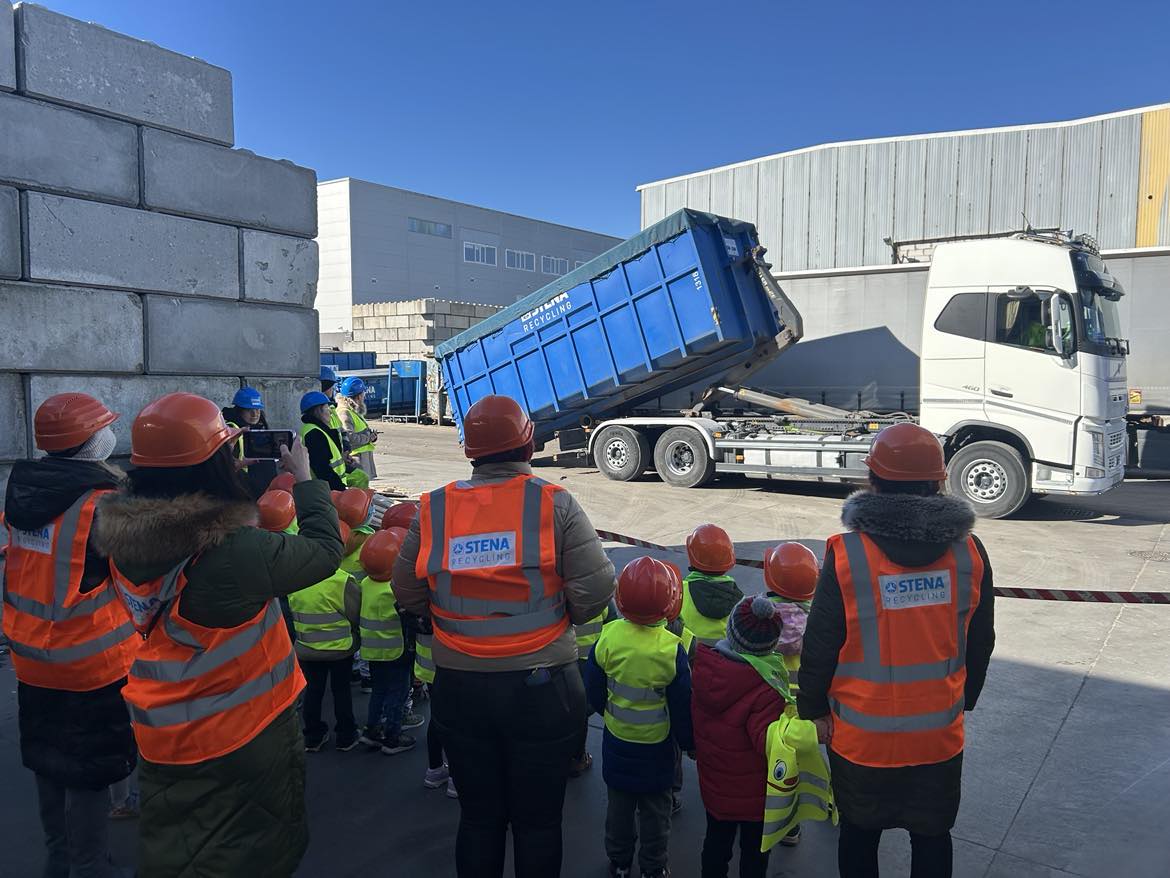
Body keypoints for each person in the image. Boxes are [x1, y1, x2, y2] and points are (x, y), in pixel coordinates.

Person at [94, 392, 344, 877]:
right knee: (243, 851)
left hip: (163, 725)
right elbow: (324, 551)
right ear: (213, 465)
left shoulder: (124, 539)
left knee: (178, 841)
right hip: (241, 731)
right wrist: (306, 481)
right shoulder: (233, 552)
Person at [392, 394, 615, 878]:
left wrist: (439, 621)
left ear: (470, 450)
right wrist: (563, 617)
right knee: (537, 824)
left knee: (478, 819)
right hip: (543, 687)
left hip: (460, 688)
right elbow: (597, 586)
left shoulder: (433, 507)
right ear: (529, 444)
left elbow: (406, 587)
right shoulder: (553, 503)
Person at [797, 423, 996, 878]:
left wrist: (812, 708)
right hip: (937, 737)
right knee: (932, 835)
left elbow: (821, 642)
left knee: (859, 834)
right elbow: (981, 639)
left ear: (874, 479)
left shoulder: (848, 555)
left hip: (861, 739)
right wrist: (965, 700)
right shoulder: (969, 552)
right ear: (939, 481)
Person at [3, 393, 138, 878]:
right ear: (89, 441)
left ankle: (59, 860)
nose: (110, 434)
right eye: (104, 427)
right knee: (88, 771)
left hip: (31, 656)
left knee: (48, 759)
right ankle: (88, 867)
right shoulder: (103, 504)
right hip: (90, 663)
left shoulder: (25, 489)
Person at [584, 557, 693, 878]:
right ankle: (653, 867)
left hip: (616, 741)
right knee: (656, 812)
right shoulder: (671, 649)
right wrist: (688, 743)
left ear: (620, 599)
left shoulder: (608, 637)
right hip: (658, 750)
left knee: (618, 809)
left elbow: (594, 689)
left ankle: (619, 862)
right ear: (670, 604)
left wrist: (610, 713)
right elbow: (682, 705)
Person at [691, 596, 788, 878]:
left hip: (714, 785)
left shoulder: (705, 669)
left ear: (730, 632)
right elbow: (768, 744)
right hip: (755, 798)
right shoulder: (766, 689)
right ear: (771, 645)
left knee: (716, 845)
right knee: (754, 853)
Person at [288, 518, 362, 752]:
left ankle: (312, 736)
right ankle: (346, 735)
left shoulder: (295, 578)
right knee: (341, 691)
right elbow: (355, 613)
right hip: (339, 649)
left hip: (307, 648)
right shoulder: (341, 580)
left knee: (314, 691)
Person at [354, 527, 418, 754]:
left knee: (379, 690)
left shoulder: (365, 585)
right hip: (397, 651)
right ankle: (392, 736)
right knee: (398, 693)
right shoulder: (395, 590)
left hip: (372, 651)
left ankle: (371, 731)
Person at [571, 598, 617, 777]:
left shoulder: (552, 589)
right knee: (580, 710)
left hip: (559, 661)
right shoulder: (599, 594)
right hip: (591, 663)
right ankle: (577, 758)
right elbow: (613, 626)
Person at [680, 524, 745, 650]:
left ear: (692, 556)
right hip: (723, 662)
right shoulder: (742, 601)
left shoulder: (679, 593)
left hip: (688, 661)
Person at [222, 385, 277, 498]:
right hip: (245, 495)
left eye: (257, 409)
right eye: (249, 410)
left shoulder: (260, 429)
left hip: (263, 495)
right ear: (239, 411)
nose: (255, 414)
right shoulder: (232, 430)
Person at [299, 390, 351, 491]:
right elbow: (322, 469)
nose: (330, 411)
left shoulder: (313, 429)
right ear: (318, 410)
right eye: (327, 407)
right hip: (325, 489)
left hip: (325, 487)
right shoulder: (314, 433)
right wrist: (340, 489)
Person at [337, 376, 380, 480]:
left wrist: (371, 436)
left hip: (363, 457)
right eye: (363, 393)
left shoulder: (353, 410)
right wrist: (368, 437)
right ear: (359, 396)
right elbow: (349, 437)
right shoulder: (345, 412)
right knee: (359, 489)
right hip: (356, 458)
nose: (364, 396)